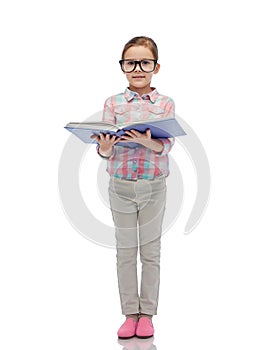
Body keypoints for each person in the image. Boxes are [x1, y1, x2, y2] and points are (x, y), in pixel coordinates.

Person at [93, 36, 175, 339]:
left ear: (156, 66)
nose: (138, 68)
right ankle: (130, 313)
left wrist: (144, 140)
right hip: (120, 186)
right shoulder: (113, 103)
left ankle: (148, 315)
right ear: (123, 67)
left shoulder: (164, 103)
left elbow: (166, 146)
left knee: (150, 252)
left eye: (145, 62)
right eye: (131, 62)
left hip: (154, 186)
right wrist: (104, 148)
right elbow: (106, 150)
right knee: (125, 252)